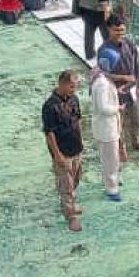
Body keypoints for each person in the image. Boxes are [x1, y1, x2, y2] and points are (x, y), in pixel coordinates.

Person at [42, 69, 84, 231]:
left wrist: (81, 141)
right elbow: (49, 133)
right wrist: (57, 155)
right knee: (66, 185)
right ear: (62, 84)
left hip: (76, 148)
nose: (74, 89)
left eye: (76, 86)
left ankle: (72, 203)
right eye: (72, 86)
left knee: (76, 177)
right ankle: (70, 215)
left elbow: (78, 120)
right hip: (63, 151)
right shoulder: (50, 106)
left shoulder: (74, 99)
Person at [100, 15, 139, 153]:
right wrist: (124, 77)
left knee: (136, 116)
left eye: (122, 30)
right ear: (109, 29)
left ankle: (136, 140)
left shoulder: (129, 44)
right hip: (115, 91)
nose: (120, 34)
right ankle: (121, 146)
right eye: (117, 30)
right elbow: (103, 75)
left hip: (131, 90)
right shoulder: (105, 50)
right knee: (117, 121)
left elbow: (138, 65)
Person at [91, 48, 123, 202]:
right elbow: (104, 108)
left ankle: (113, 178)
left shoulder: (102, 79)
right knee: (110, 159)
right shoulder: (102, 83)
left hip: (107, 127)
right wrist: (118, 108)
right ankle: (111, 188)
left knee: (111, 158)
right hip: (106, 128)